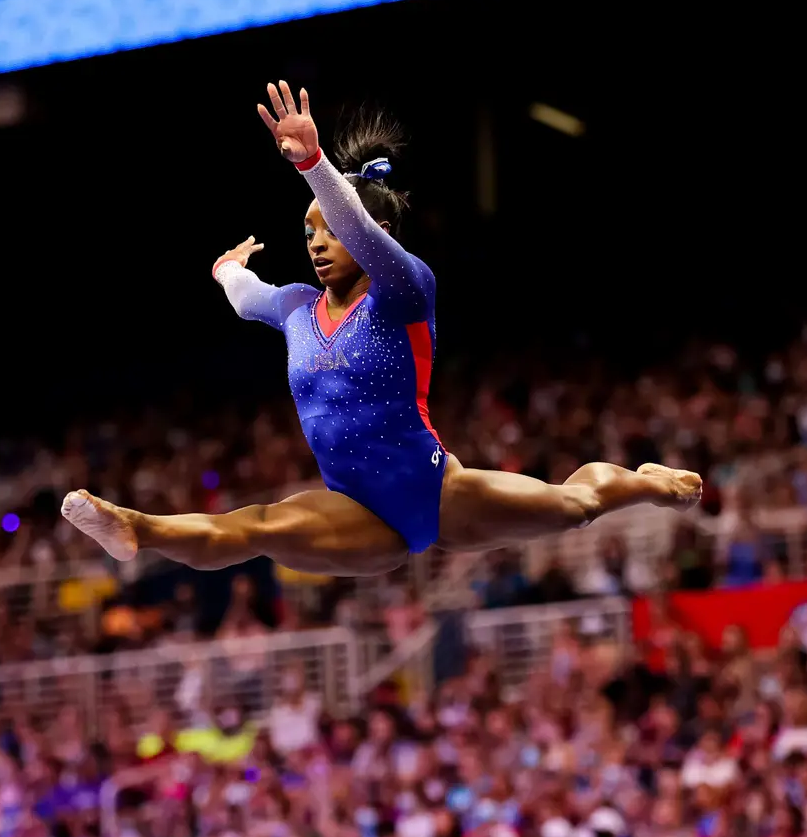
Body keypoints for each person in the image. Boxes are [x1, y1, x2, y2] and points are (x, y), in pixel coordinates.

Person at [64, 81, 700, 575]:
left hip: (440, 493)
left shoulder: (404, 293)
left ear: (375, 238)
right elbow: (246, 298)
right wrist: (230, 271)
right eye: (308, 232)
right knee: (259, 525)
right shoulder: (295, 308)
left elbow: (360, 228)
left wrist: (313, 162)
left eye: (329, 230)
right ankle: (133, 525)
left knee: (578, 507)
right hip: (357, 510)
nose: (316, 243)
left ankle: (645, 482)